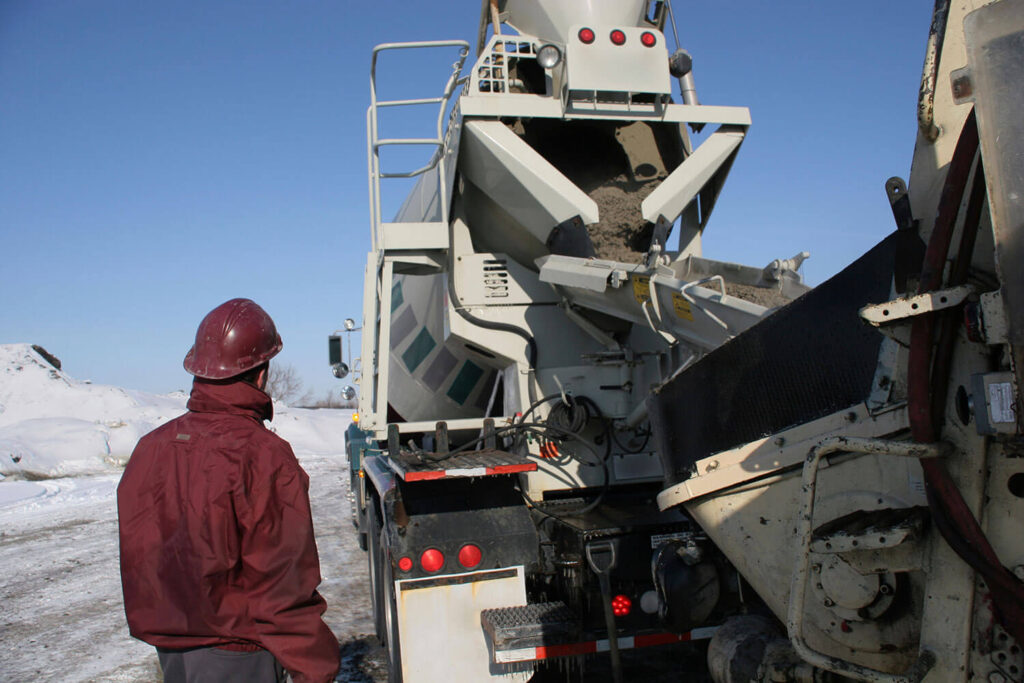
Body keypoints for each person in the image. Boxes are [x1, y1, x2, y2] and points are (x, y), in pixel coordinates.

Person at [117, 298, 340, 683]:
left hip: (173, 653)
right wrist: (315, 669)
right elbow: (282, 584)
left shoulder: (149, 448)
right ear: (261, 374)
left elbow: (143, 557)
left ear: (198, 369)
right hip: (239, 654)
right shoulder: (263, 456)